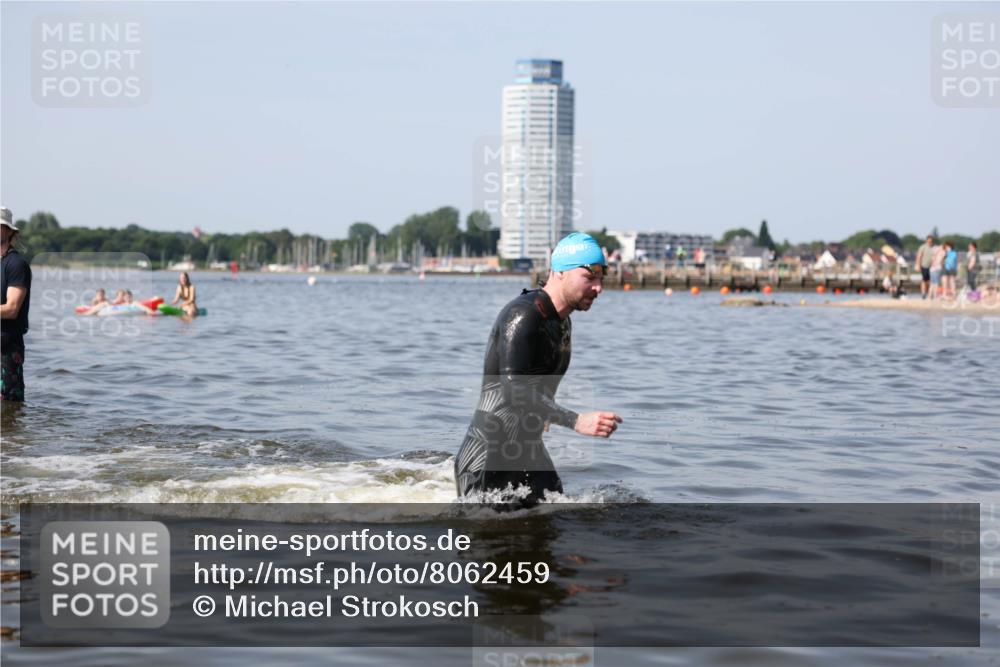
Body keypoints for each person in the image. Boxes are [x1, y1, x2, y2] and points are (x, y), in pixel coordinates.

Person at [454, 232, 623, 508]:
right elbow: (512, 388)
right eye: (589, 277)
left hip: (528, 452)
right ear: (559, 272)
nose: (598, 287)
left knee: (554, 533)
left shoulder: (562, 322)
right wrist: (576, 421)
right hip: (487, 461)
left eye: (602, 278)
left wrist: (544, 410)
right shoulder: (523, 316)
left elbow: (537, 383)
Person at [1, 207, 31, 403]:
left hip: (6, 348)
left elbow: (12, 309)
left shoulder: (16, 264)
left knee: (7, 408)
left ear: (10, 231)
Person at [915, 235, 935, 299]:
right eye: (929, 241)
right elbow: (919, 256)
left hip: (932, 267)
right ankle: (923, 293)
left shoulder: (934, 248)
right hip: (924, 265)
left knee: (931, 281)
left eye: (931, 241)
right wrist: (918, 265)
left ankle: (930, 293)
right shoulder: (923, 247)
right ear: (926, 240)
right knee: (924, 280)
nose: (930, 242)